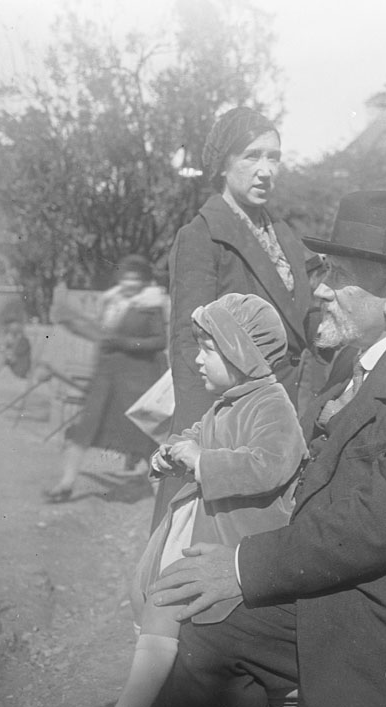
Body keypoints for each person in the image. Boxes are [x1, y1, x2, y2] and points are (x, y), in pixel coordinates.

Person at [151, 192, 386, 707]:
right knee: (200, 622)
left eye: (338, 275)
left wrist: (242, 566)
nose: (318, 289)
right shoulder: (370, 355)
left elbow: (380, 524)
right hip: (359, 583)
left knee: (210, 633)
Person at [69, 293, 307, 707]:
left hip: (244, 539)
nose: (198, 359)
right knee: (165, 596)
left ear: (242, 353)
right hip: (207, 527)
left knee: (205, 623)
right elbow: (197, 435)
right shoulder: (227, 403)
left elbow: (272, 463)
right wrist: (173, 451)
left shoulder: (271, 406)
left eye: (208, 349)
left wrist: (204, 461)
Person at [153, 106, 315, 531]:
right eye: (251, 156)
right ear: (222, 163)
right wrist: (201, 441)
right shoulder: (202, 237)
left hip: (282, 412)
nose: (265, 170)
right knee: (207, 543)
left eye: (274, 157)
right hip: (231, 420)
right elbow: (190, 350)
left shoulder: (282, 234)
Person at [45, 255, 168, 502]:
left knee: (142, 437)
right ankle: (66, 484)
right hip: (105, 378)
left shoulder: (150, 305)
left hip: (135, 380)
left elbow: (159, 341)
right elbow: (101, 337)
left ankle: (163, 492)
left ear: (144, 281)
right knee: (85, 429)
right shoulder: (111, 301)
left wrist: (122, 342)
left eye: (136, 278)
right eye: (125, 277)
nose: (130, 283)